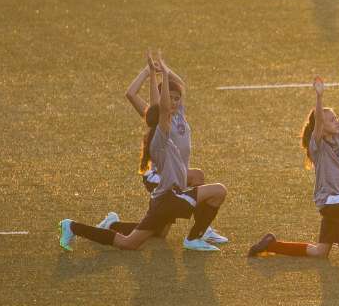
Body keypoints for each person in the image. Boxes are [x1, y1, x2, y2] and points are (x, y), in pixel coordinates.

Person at [60, 50, 228, 253]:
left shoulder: (162, 128)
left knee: (130, 242)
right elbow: (160, 106)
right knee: (219, 190)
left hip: (164, 200)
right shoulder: (161, 137)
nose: (173, 105)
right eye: (170, 102)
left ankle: (73, 226)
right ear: (161, 118)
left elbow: (168, 101)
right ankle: (194, 237)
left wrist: (163, 71)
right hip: (169, 198)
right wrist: (160, 76)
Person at [246, 64, 339, 263]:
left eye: (334, 119)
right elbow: (317, 124)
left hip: (338, 201)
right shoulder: (317, 145)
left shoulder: (338, 137)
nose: (336, 122)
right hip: (329, 200)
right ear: (321, 127)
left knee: (320, 252)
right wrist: (319, 97)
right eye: (331, 120)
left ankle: (272, 244)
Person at [106, 58, 227, 245]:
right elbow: (132, 94)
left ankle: (203, 228)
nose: (174, 101)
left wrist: (165, 70)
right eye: (169, 97)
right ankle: (114, 226)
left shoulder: (178, 112)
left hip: (175, 174)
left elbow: (181, 86)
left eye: (176, 98)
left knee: (195, 178)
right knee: (158, 226)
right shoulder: (157, 116)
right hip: (159, 177)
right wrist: (149, 73)